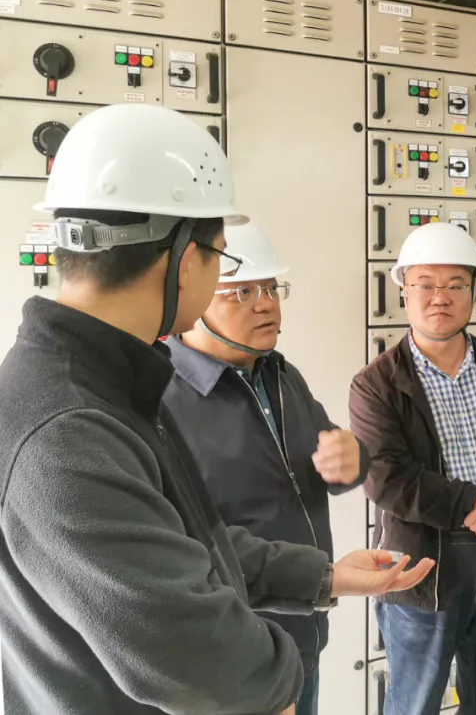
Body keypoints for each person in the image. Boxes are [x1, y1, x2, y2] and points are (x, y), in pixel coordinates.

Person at [0, 103, 433, 715]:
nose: (260, 301)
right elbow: (182, 641)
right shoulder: (67, 429)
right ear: (184, 257)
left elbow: (184, 543)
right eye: (223, 260)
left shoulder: (107, 385)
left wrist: (323, 575)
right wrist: (274, 687)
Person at [162, 219, 368, 715]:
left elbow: (326, 462)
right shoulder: (161, 398)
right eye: (242, 292)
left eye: (272, 288)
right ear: (193, 299)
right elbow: (185, 544)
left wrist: (355, 460)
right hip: (233, 660)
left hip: (304, 632)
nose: (265, 304)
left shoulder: (280, 374)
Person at [349, 222, 476, 715]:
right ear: (403, 291)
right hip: (422, 567)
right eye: (425, 284)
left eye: (455, 285)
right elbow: (388, 479)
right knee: (415, 702)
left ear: (475, 293)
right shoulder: (376, 383)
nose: (440, 297)